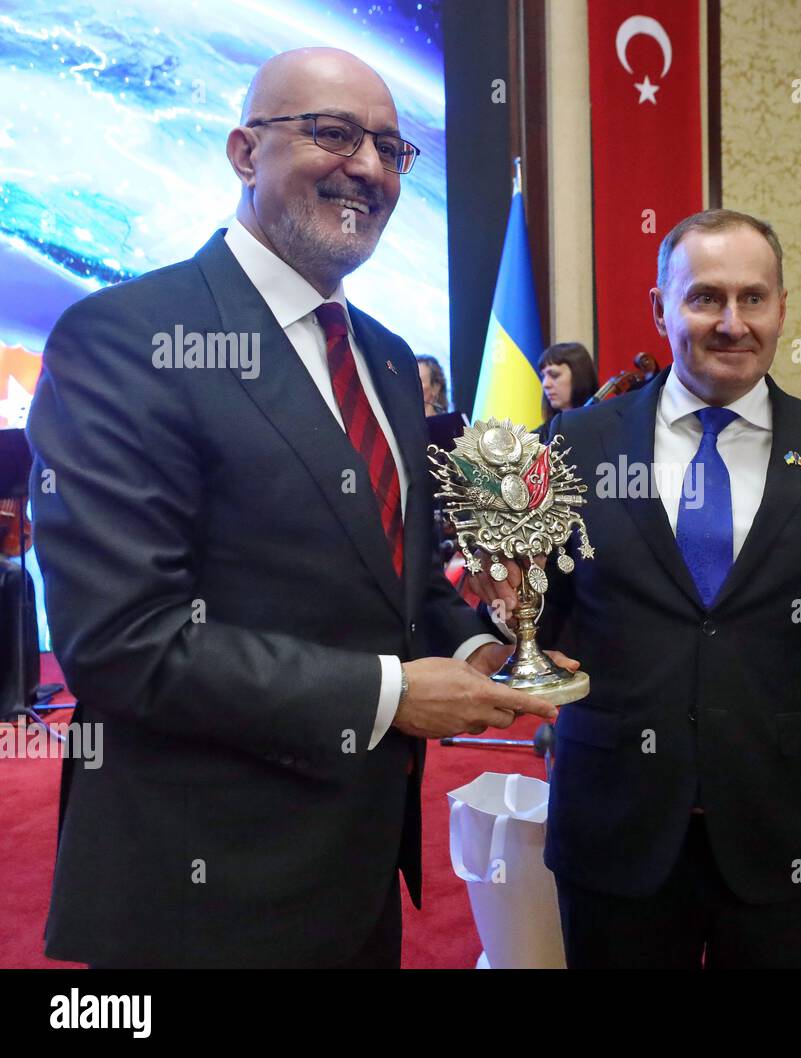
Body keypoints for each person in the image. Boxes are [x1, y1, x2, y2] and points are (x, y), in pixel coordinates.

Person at [26, 47, 564, 969]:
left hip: (355, 870)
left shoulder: (388, 359)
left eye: (392, 149)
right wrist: (394, 693)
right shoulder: (125, 340)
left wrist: (485, 652)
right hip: (204, 886)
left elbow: (398, 575)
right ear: (243, 152)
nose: (367, 166)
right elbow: (124, 642)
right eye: (332, 133)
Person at [471, 209, 801, 968]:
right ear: (660, 308)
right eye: (705, 297)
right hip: (615, 834)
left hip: (783, 846)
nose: (732, 322)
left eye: (754, 298)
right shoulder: (579, 442)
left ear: (784, 308)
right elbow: (541, 617)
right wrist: (503, 612)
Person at [540, 341, 597, 421]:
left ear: (579, 375)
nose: (545, 384)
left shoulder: (607, 425)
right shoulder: (542, 432)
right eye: (543, 376)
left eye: (554, 375)